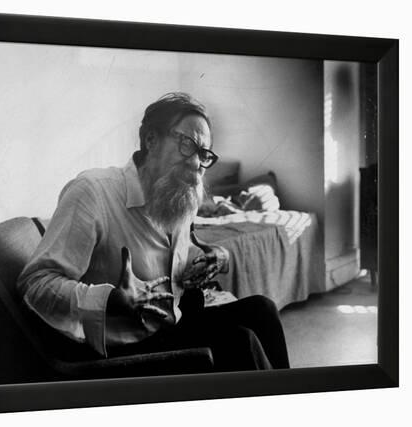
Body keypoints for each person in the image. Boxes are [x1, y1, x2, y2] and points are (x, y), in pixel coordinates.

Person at [17, 92, 290, 371]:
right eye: (188, 144)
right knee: (238, 341)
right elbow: (36, 283)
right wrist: (109, 299)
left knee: (262, 310)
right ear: (151, 141)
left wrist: (214, 255)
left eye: (204, 153)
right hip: (121, 347)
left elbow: (179, 254)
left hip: (169, 323)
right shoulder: (92, 192)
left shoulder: (179, 195)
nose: (197, 162)